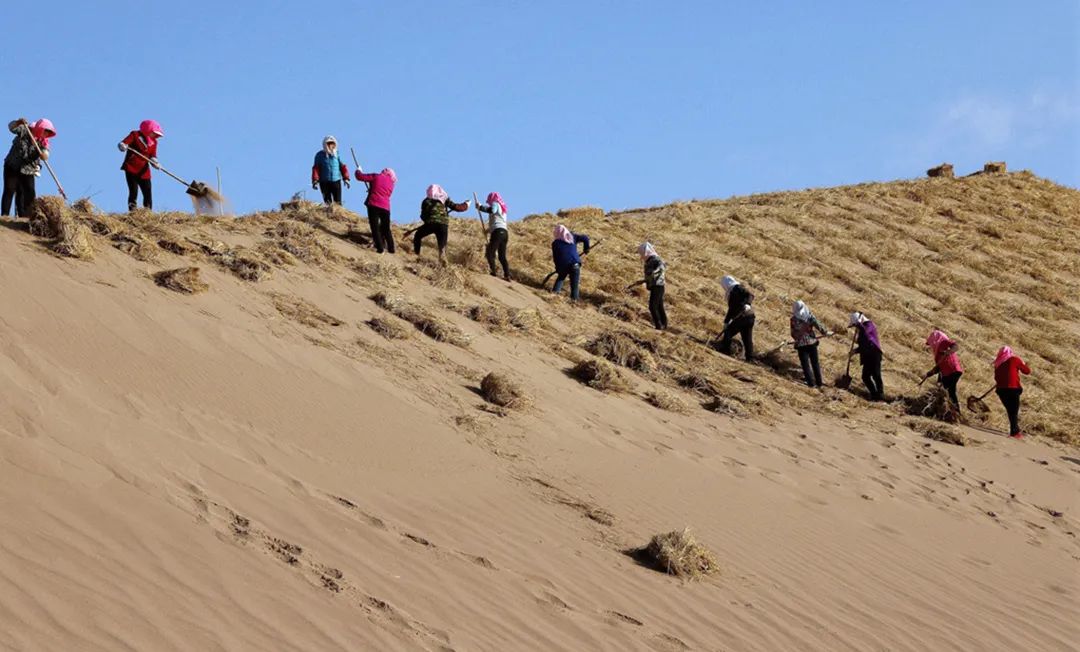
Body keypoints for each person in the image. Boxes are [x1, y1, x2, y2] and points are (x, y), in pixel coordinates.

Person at [3, 118, 54, 218]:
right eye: (45, 131)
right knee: (9, 189)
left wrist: (44, 155)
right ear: (40, 128)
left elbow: (45, 154)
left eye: (48, 133)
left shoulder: (43, 142)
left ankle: (28, 217)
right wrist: (18, 122)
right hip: (13, 165)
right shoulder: (25, 130)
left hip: (28, 170)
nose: (46, 134)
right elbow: (11, 127)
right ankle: (5, 216)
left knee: (30, 192)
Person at [414, 184, 468, 264]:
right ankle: (442, 257)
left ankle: (416, 255)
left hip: (431, 223)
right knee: (442, 245)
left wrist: (427, 221)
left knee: (417, 235)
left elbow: (423, 216)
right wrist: (466, 205)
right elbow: (457, 207)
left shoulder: (426, 201)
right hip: (443, 224)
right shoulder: (444, 198)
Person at [117, 120, 163, 211]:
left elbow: (153, 155)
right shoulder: (135, 135)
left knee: (147, 192)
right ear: (147, 129)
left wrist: (155, 163)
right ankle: (133, 211)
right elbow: (124, 143)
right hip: (131, 168)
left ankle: (148, 212)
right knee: (133, 191)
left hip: (144, 171)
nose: (155, 135)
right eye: (153, 133)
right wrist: (123, 146)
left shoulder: (154, 142)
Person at [790, 300, 832, 387]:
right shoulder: (809, 316)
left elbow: (793, 333)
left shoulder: (793, 319)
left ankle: (811, 384)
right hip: (812, 342)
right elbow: (818, 325)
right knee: (815, 363)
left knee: (805, 365)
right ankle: (819, 383)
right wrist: (825, 332)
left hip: (801, 345)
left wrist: (798, 337)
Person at [355, 167, 397, 253]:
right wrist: (372, 189)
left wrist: (358, 170)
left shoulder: (376, 176)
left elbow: (360, 177)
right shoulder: (391, 183)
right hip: (386, 207)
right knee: (386, 228)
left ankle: (380, 247)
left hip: (373, 205)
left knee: (375, 227)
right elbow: (382, 191)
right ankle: (391, 248)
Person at [627, 242, 668, 330]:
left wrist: (655, 272)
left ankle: (659, 325)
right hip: (656, 285)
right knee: (659, 305)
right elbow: (650, 275)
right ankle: (664, 324)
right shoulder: (649, 261)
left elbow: (662, 266)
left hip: (658, 285)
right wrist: (642, 281)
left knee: (652, 306)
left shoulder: (655, 259)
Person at [993, 346, 1031, 439]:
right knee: (1013, 411)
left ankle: (1015, 430)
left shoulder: (997, 362)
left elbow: (996, 377)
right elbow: (1027, 371)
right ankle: (1014, 432)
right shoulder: (1014, 359)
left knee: (1010, 410)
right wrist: (1025, 364)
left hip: (1001, 390)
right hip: (1013, 388)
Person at [848, 311, 884, 400]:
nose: (855, 327)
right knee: (865, 377)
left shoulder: (869, 325)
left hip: (874, 354)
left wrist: (856, 351)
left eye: (855, 325)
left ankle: (880, 396)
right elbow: (863, 345)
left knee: (876, 376)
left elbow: (867, 338)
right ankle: (874, 394)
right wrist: (855, 350)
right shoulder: (862, 328)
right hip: (867, 355)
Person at [922, 329, 963, 407]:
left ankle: (954, 410)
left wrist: (949, 351)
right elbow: (939, 367)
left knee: (949, 391)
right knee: (947, 391)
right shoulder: (937, 352)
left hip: (952, 371)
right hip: (948, 373)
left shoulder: (943, 342)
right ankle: (947, 408)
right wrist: (930, 373)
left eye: (931, 343)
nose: (931, 346)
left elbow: (955, 346)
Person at [718, 275, 755, 360]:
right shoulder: (737, 290)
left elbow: (750, 295)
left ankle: (725, 351)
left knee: (728, 332)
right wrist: (726, 322)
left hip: (742, 317)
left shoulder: (736, 289)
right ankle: (750, 358)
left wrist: (747, 304)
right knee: (747, 338)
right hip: (750, 317)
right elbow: (731, 309)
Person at [477, 191, 511, 281]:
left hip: (497, 232)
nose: (489, 202)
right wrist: (488, 230)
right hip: (504, 233)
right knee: (502, 256)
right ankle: (507, 275)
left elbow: (492, 210)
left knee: (490, 252)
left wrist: (480, 207)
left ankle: (493, 272)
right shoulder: (503, 208)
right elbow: (498, 222)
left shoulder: (495, 204)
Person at [551, 224, 590, 301]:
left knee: (561, 278)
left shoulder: (555, 243)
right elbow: (585, 238)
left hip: (563, 265)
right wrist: (586, 248)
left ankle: (554, 294)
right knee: (574, 284)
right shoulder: (572, 237)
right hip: (575, 264)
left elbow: (556, 258)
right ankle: (574, 300)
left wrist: (558, 268)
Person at [311, 136, 351, 205]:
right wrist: (315, 180)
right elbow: (316, 169)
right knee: (328, 202)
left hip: (336, 181)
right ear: (325, 145)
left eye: (332, 144)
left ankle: (338, 211)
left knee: (338, 202)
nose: (331, 146)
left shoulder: (337, 154)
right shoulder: (319, 155)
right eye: (329, 144)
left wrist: (346, 178)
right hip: (324, 182)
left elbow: (342, 167)